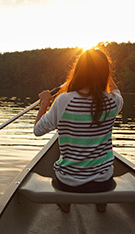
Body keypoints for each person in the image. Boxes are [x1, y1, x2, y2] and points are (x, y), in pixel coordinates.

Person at [33, 49, 123, 213]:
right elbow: (115, 90)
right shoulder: (113, 102)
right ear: (105, 73)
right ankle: (101, 204)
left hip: (69, 182)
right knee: (103, 175)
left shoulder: (63, 101)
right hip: (103, 182)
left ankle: (65, 203)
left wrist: (44, 102)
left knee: (61, 173)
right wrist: (103, 72)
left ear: (78, 70)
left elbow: (37, 130)